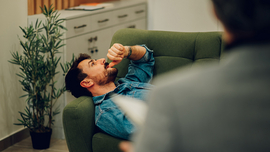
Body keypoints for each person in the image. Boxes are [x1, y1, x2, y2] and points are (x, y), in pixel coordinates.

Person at [120, 0, 270, 151]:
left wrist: (127, 51)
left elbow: (145, 58)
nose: (100, 60)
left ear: (215, 12)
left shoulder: (169, 96)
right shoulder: (165, 97)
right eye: (93, 62)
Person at [65, 43, 155, 140]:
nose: (103, 60)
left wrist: (125, 51)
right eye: (93, 64)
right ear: (87, 82)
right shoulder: (106, 113)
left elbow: (145, 58)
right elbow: (146, 130)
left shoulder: (128, 82)